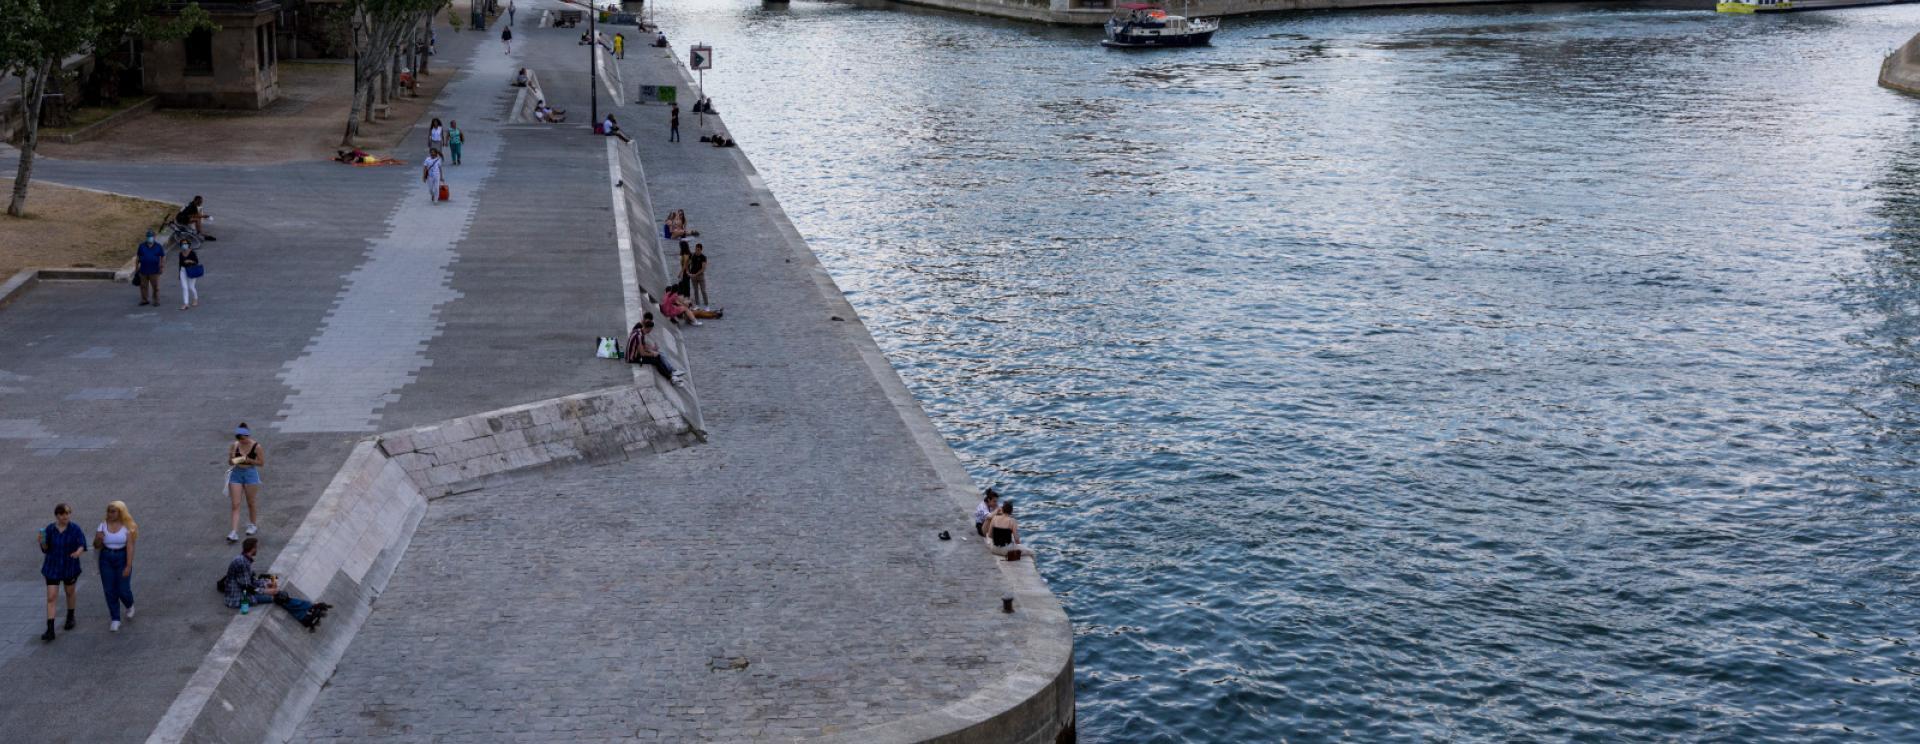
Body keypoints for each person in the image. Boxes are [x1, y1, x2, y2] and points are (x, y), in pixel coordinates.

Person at [224, 538, 332, 631]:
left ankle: (307, 613)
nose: (257, 549)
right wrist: (266, 591)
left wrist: (266, 583)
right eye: (256, 547)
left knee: (281, 595)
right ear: (253, 549)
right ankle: (307, 612)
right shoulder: (242, 563)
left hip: (245, 591)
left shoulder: (244, 559)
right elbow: (247, 587)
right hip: (239, 597)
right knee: (278, 597)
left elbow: (250, 580)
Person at [39, 503, 86, 641]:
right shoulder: (50, 529)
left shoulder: (74, 528)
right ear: (57, 515)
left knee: (69, 592)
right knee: (51, 597)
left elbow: (82, 544)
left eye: (67, 513)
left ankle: (70, 616)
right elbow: (45, 549)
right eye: (62, 514)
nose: (65, 516)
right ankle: (50, 629)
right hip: (52, 567)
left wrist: (78, 552)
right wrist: (42, 542)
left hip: (69, 566)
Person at [95, 501, 137, 632]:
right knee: (109, 589)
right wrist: (99, 539)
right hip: (106, 558)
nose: (110, 514)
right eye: (109, 511)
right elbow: (96, 545)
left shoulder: (127, 527)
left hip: (121, 557)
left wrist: (128, 565)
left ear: (120, 512)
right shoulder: (102, 526)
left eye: (113, 511)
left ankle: (129, 604)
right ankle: (115, 618)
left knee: (123, 589)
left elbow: (130, 547)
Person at [227, 424, 265, 543]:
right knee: (235, 504)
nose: (242, 441)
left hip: (250, 474)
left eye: (244, 438)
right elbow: (230, 462)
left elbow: (261, 463)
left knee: (251, 502)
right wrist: (238, 459)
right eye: (240, 439)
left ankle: (253, 524)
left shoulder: (257, 446)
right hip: (236, 474)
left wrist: (249, 460)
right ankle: (234, 532)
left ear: (247, 435)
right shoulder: (235, 445)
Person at [625, 318, 687, 385]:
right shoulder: (639, 336)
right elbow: (642, 353)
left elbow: (643, 346)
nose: (651, 331)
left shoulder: (639, 331)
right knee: (656, 360)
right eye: (651, 329)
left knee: (658, 355)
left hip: (635, 354)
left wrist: (652, 349)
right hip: (632, 358)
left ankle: (671, 372)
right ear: (648, 328)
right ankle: (670, 377)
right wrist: (653, 354)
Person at [135, 231, 166, 306]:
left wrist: (162, 266)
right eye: (148, 237)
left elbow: (163, 256)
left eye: (151, 236)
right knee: (143, 286)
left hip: (154, 270)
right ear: (146, 237)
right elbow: (138, 257)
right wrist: (136, 267)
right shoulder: (142, 246)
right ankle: (144, 300)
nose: (150, 238)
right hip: (143, 270)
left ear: (154, 237)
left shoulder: (158, 246)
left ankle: (156, 300)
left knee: (155, 287)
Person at [178, 242, 202, 310]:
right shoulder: (180, 253)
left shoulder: (192, 252)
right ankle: (186, 304)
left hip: (191, 270)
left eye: (185, 244)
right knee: (184, 287)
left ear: (188, 245)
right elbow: (180, 264)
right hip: (183, 271)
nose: (184, 245)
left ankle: (195, 298)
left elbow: (196, 261)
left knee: (191, 287)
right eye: (183, 244)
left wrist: (190, 261)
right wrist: (179, 273)